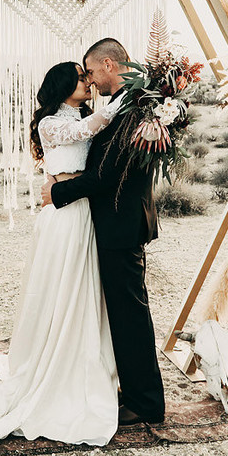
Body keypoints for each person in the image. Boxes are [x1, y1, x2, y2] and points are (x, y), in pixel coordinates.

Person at [0, 61, 123, 445]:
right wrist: (128, 97)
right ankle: (52, 368)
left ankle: (83, 362)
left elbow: (95, 134)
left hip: (84, 210)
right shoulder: (51, 123)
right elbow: (84, 131)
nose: (88, 80)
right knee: (59, 291)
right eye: (79, 76)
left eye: (88, 74)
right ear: (61, 85)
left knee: (86, 290)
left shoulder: (90, 113)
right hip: (61, 217)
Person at [41, 38, 165, 425]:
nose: (90, 82)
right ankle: (129, 389)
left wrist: (58, 191)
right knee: (121, 312)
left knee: (129, 316)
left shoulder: (132, 106)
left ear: (109, 65)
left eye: (91, 72)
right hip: (116, 222)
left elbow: (107, 174)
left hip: (120, 223)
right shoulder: (129, 104)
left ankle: (145, 403)